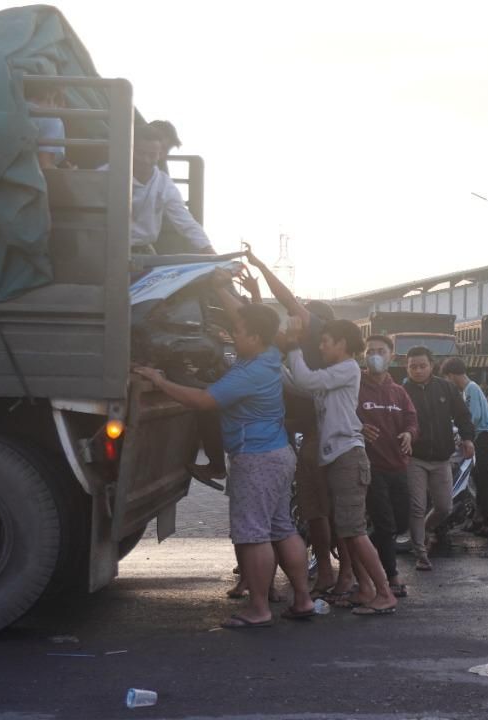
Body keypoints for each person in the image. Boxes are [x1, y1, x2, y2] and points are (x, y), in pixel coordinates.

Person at [132, 282, 313, 628]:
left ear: (257, 337)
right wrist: (214, 280)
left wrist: (160, 380)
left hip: (256, 459)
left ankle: (258, 608)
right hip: (277, 453)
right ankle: (302, 599)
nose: (233, 334)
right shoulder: (269, 354)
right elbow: (246, 318)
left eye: (239, 333)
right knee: (281, 528)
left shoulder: (250, 372)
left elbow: (205, 401)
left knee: (252, 533)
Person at [248, 250, 347, 595]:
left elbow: (287, 301)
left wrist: (261, 267)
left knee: (325, 512)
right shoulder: (302, 348)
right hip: (305, 438)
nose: (292, 320)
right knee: (316, 511)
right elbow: (265, 327)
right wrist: (256, 291)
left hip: (323, 440)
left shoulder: (319, 352)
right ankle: (329, 572)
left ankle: (335, 573)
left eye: (299, 317)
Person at [286, 317, 398, 616]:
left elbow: (307, 381)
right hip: (339, 457)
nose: (321, 346)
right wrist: (275, 363)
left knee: (355, 531)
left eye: (326, 340)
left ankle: (384, 593)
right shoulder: (335, 372)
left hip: (348, 458)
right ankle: (364, 589)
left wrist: (294, 345)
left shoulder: (346, 368)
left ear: (342, 344)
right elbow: (302, 385)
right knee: (347, 531)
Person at [402, 346, 476, 571]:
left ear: (431, 366)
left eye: (422, 366)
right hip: (415, 458)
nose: (417, 370)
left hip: (442, 458)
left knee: (444, 506)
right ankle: (421, 553)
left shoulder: (446, 388)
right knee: (417, 506)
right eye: (413, 366)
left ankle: (423, 531)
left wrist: (467, 438)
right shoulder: (402, 391)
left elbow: (462, 415)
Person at [358, 335, 418, 599]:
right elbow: (341, 413)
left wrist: (409, 434)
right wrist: (358, 427)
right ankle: (391, 577)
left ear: (392, 356)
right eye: (370, 351)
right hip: (371, 467)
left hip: (398, 465)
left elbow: (412, 421)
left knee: (401, 520)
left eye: (380, 351)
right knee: (384, 523)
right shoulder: (355, 386)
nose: (375, 355)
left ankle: (363, 551)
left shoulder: (399, 392)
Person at [126, 125, 213, 253]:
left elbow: (185, 221)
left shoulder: (164, 183)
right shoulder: (108, 174)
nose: (145, 160)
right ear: (130, 150)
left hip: (143, 251)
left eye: (152, 155)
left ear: (160, 155)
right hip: (107, 249)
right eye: (140, 153)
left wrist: (208, 250)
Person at [440, 356, 488, 537]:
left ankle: (487, 521)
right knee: (475, 479)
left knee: (483, 481)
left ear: (451, 375)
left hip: (486, 438)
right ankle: (478, 518)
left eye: (446, 378)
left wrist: (459, 433)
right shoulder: (466, 390)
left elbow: (472, 417)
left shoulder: (472, 389)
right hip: (478, 438)